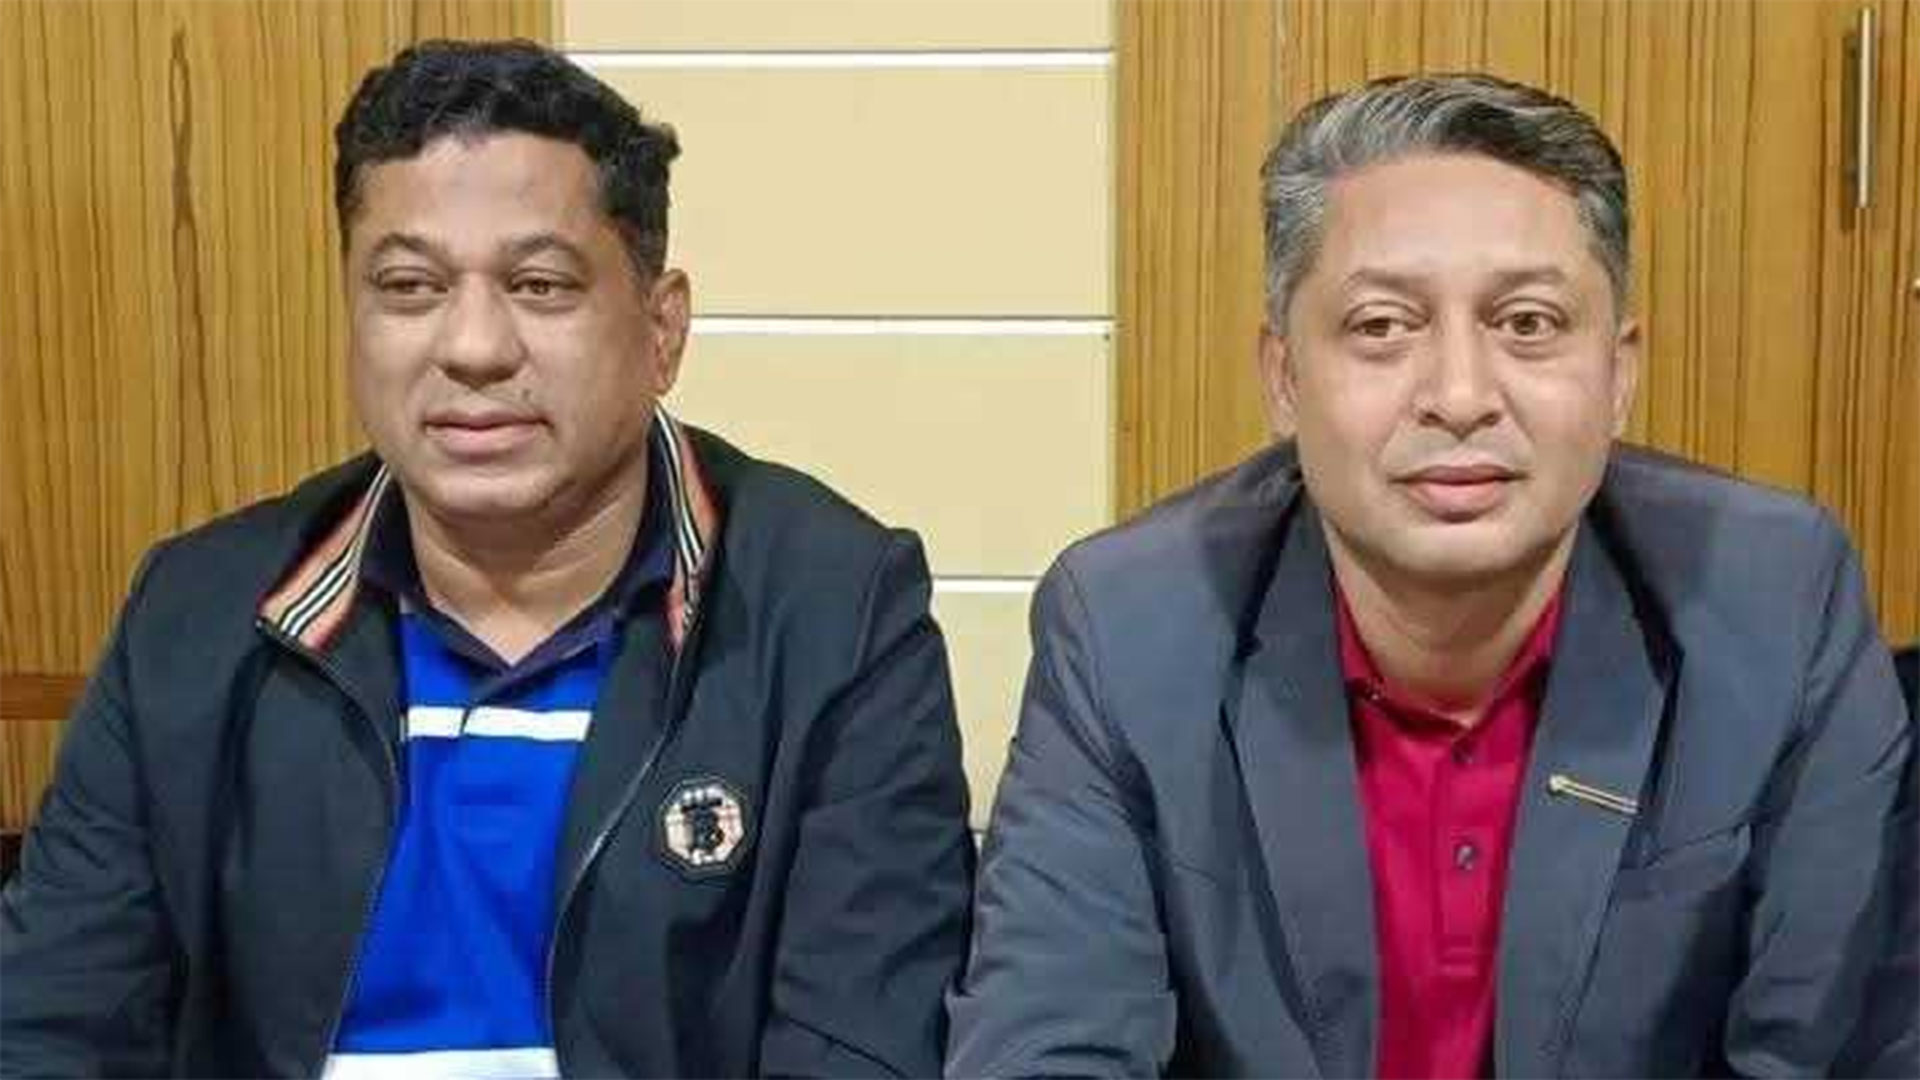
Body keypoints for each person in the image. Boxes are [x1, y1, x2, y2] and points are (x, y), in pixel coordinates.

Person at [1, 39, 973, 1078]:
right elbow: (52, 1025)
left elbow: (859, 1049)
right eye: (409, 286)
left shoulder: (833, 614)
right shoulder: (195, 615)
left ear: (661, 329)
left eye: (540, 285)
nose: (472, 347)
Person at [947, 73, 1914, 1078]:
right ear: (1284, 378)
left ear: (1619, 374)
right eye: (1381, 327)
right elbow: (1045, 1043)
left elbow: (1840, 1046)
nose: (1459, 395)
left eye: (1528, 324)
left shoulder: (1775, 603)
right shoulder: (1127, 626)